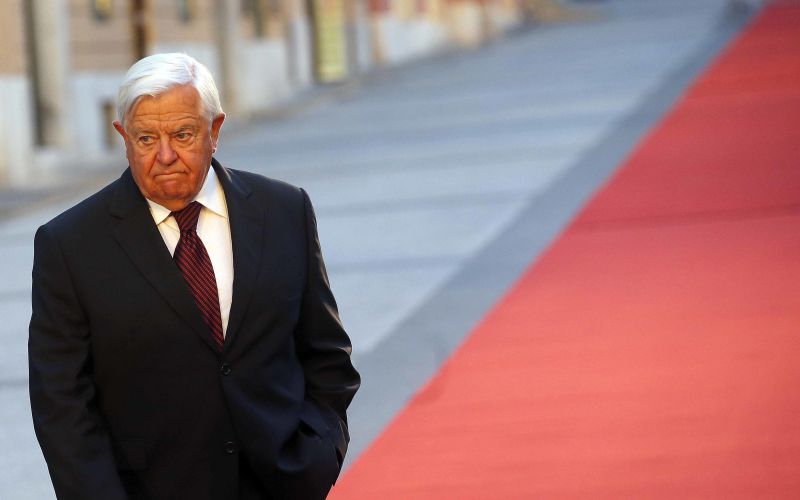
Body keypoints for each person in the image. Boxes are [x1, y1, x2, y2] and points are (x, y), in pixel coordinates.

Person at [28, 53, 360, 500]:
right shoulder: (69, 245)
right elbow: (61, 405)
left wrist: (318, 456)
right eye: (146, 138)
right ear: (123, 137)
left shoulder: (284, 210)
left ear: (214, 131)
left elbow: (327, 356)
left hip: (280, 485)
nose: (165, 156)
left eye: (182, 135)